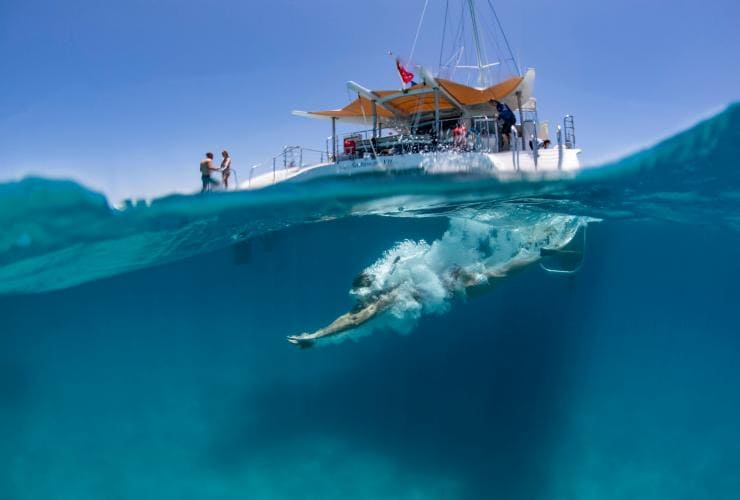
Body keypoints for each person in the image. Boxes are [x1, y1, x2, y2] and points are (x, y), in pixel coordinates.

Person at [286, 253, 537, 348]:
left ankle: (545, 254)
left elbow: (356, 319)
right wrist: (319, 337)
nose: (360, 302)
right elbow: (353, 316)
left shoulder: (387, 295)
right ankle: (534, 249)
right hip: (448, 273)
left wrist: (317, 336)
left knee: (499, 273)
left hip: (454, 285)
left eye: (361, 297)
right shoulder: (385, 278)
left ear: (368, 288)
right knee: (495, 267)